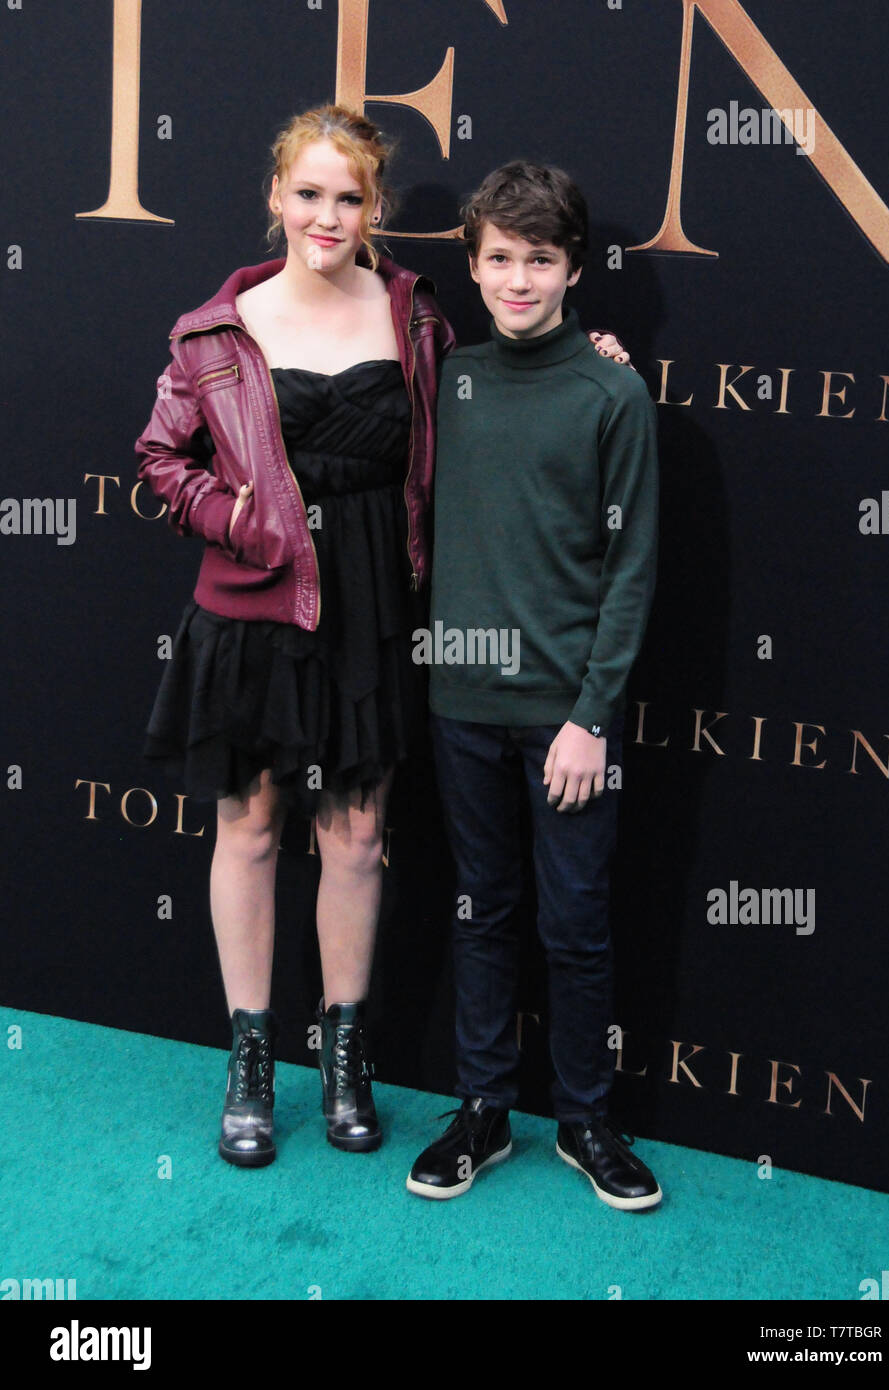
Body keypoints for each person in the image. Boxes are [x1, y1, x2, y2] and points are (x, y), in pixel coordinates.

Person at [135, 107, 629, 1169]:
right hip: (252, 605)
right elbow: (161, 462)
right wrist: (240, 518)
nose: (326, 214)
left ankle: (345, 1056)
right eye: (307, 193)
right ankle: (250, 1061)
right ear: (276, 197)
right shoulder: (215, 327)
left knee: (356, 836)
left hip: (368, 602)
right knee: (252, 831)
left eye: (348, 197)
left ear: (374, 210)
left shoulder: (414, 315)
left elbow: (501, 391)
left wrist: (592, 354)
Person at [406, 162, 663, 1210]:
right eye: (499, 259)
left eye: (538, 260)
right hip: (459, 707)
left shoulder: (611, 392)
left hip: (565, 722)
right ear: (470, 266)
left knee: (577, 925)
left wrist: (590, 720)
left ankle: (587, 1119)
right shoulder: (444, 382)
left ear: (572, 270)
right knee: (480, 913)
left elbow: (632, 568)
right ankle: (481, 1110)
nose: (517, 280)